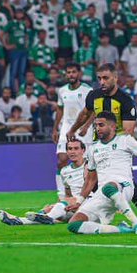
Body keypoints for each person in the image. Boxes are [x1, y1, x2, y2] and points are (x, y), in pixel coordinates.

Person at [66, 63, 137, 230]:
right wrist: (73, 129)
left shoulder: (125, 101)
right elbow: (86, 113)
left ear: (115, 78)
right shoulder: (93, 96)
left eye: (106, 78)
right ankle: (105, 216)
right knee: (94, 180)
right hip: (97, 145)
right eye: (99, 78)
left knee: (126, 183)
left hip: (119, 148)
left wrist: (119, 146)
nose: (102, 82)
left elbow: (129, 129)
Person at [67, 112, 137, 235]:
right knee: (74, 225)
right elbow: (90, 180)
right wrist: (79, 201)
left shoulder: (126, 140)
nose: (97, 128)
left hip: (124, 187)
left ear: (113, 126)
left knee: (109, 186)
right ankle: (122, 230)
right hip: (102, 194)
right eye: (95, 125)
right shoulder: (93, 149)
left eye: (101, 125)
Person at [0, 139, 87, 226]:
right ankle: (21, 220)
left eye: (76, 148)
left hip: (89, 203)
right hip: (75, 207)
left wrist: (73, 201)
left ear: (83, 150)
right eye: (70, 149)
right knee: (51, 209)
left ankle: (46, 217)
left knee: (60, 207)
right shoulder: (65, 171)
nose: (72, 152)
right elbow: (68, 195)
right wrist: (59, 204)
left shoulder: (90, 166)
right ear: (66, 152)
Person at [52, 63, 92, 194]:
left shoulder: (87, 90)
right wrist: (55, 129)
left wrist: (86, 126)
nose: (71, 75)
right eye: (68, 72)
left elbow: (94, 111)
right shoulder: (62, 90)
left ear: (79, 73)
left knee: (86, 164)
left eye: (73, 72)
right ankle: (61, 193)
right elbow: (60, 109)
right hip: (66, 129)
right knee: (62, 160)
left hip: (83, 131)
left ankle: (84, 192)